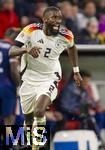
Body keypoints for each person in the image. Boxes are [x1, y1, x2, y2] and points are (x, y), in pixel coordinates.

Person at [9, 6, 82, 150]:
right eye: (54, 17)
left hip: (50, 77)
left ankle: (37, 145)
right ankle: (27, 144)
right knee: (28, 118)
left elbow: (72, 48)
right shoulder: (30, 30)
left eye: (59, 18)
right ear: (44, 19)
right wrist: (26, 49)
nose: (57, 21)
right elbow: (12, 51)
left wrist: (76, 71)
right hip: (29, 78)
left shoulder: (66, 35)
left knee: (39, 110)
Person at [0, 28, 21, 149]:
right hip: (7, 87)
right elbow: (14, 70)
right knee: (9, 118)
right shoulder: (12, 49)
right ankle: (9, 146)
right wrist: (18, 85)